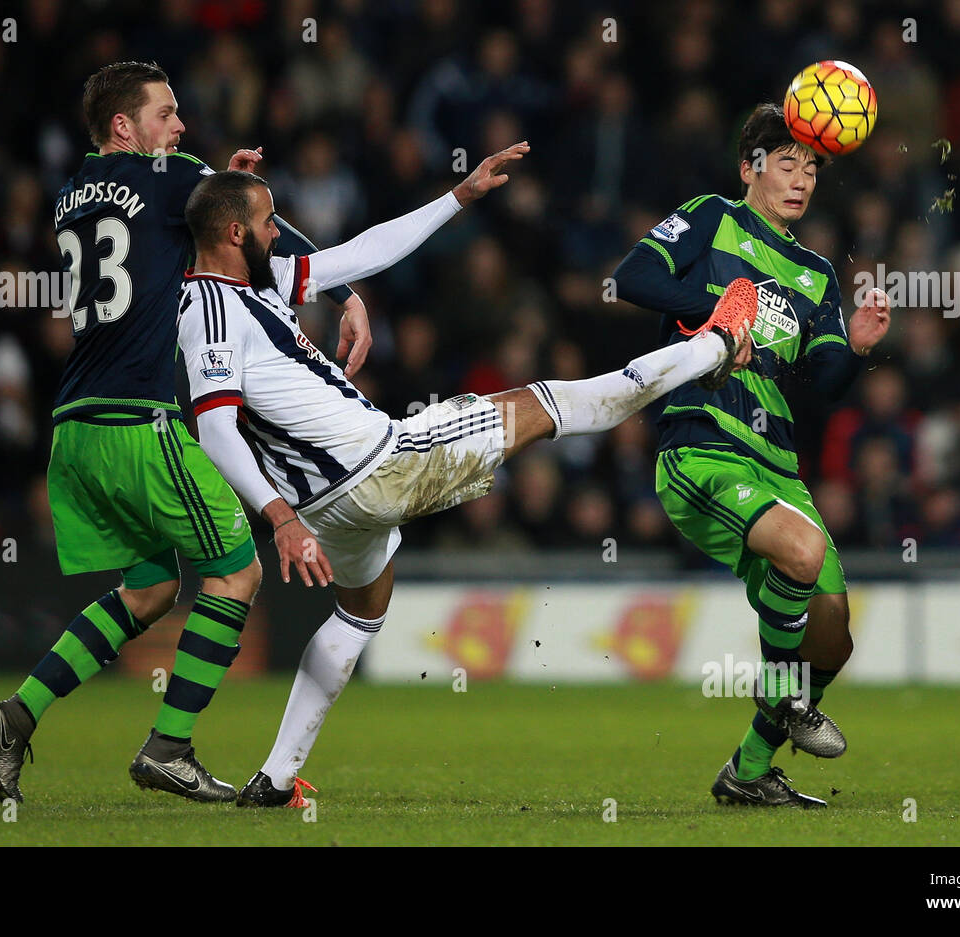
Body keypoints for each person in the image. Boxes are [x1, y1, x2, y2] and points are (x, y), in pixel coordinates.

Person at [175, 143, 758, 807]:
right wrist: (277, 520)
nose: (279, 231)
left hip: (331, 503)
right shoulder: (209, 314)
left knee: (362, 609)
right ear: (232, 233)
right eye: (268, 221)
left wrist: (459, 196)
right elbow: (214, 428)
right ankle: (714, 342)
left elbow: (365, 252)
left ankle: (276, 778)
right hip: (379, 466)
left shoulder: (261, 283)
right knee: (555, 404)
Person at [0, 61, 361, 805]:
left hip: (73, 428)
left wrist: (210, 186)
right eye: (167, 112)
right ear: (126, 126)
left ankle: (14, 716)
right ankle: (169, 747)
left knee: (149, 589)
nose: (181, 125)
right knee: (238, 573)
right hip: (137, 421)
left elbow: (184, 230)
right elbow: (259, 230)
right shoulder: (167, 174)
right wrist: (343, 292)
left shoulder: (70, 195)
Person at [611, 103, 891, 808]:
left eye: (811, 168)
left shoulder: (817, 274)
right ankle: (786, 697)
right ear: (750, 168)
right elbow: (634, 276)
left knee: (832, 635)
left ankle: (750, 769)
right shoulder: (712, 217)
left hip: (777, 463)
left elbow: (823, 383)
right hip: (702, 442)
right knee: (798, 555)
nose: (799, 180)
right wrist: (719, 309)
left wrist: (855, 347)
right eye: (786, 163)